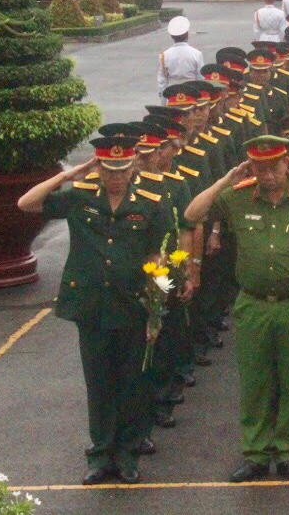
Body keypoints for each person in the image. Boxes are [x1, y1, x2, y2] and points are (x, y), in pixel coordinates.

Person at [17, 131, 172, 485]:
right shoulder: (80, 196)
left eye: (121, 169)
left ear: (132, 167)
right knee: (99, 383)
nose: (115, 177)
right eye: (108, 169)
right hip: (91, 305)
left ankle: (128, 455)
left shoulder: (151, 200)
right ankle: (101, 454)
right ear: (98, 168)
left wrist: (155, 305)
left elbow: (156, 254)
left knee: (133, 382)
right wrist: (67, 175)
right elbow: (26, 203)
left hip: (133, 304)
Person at [184, 136, 289, 484]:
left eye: (274, 166)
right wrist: (226, 179)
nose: (267, 174)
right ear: (250, 167)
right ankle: (254, 453)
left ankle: (287, 453)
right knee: (255, 381)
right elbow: (192, 214)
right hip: (253, 304)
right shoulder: (237, 198)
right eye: (260, 167)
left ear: (286, 163)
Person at [157, 16, 204, 97]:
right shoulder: (196, 54)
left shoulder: (164, 56)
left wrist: (163, 99)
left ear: (171, 36)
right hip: (191, 93)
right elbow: (201, 78)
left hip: (172, 94)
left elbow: (162, 81)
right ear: (187, 34)